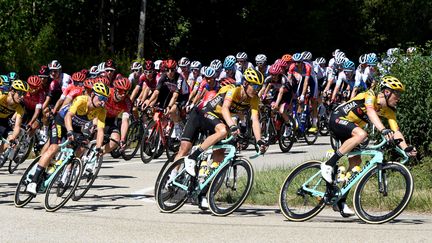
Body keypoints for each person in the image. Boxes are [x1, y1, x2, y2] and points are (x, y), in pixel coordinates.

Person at [320, 76, 417, 216]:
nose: (399, 98)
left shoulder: (389, 111)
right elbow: (371, 111)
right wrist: (383, 129)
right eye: (397, 93)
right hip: (338, 118)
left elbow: (396, 132)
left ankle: (340, 201)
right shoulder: (371, 95)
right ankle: (329, 164)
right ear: (387, 92)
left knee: (356, 165)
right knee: (362, 135)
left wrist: (406, 148)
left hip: (351, 129)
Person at [180, 68, 268, 177]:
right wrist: (232, 126)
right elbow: (225, 108)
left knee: (220, 153)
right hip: (206, 112)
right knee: (223, 131)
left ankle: (205, 185)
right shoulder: (234, 89)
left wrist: (259, 140)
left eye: (259, 87)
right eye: (254, 86)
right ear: (245, 83)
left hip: (220, 119)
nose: (256, 90)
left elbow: (254, 119)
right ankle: (191, 158)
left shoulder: (254, 99)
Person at [26, 82, 110, 195]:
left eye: (106, 99)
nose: (103, 101)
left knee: (83, 145)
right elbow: (68, 116)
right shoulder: (81, 100)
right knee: (54, 147)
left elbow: (100, 130)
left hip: (76, 127)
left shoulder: (101, 110)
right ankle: (34, 181)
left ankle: (54, 170)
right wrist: (70, 132)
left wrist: (99, 148)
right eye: (101, 97)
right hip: (61, 121)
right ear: (93, 95)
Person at [0, 80, 29, 156]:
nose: (22, 96)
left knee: (10, 138)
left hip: (3, 121)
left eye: (24, 94)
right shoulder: (2, 95)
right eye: (20, 93)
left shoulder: (20, 106)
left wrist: (13, 138)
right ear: (12, 91)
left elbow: (17, 126)